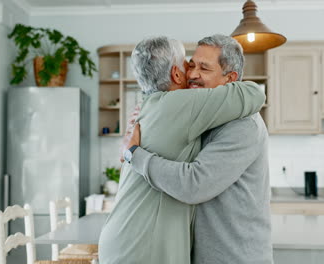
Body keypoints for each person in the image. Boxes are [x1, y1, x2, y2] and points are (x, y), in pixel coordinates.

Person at [98, 36, 265, 264]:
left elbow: (194, 184)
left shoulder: (243, 124)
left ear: (231, 79)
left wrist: (134, 154)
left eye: (203, 68)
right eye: (191, 64)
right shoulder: (190, 110)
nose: (193, 74)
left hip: (232, 256)